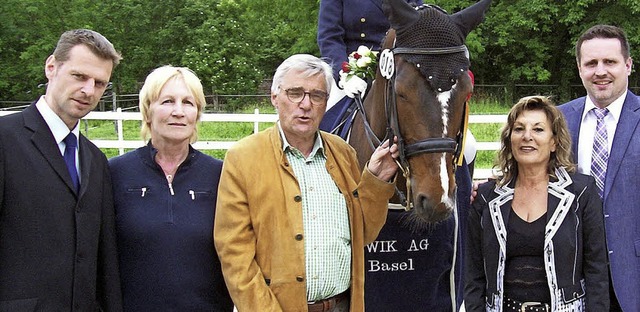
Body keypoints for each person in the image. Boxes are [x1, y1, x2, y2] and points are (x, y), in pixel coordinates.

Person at [318, 1, 477, 310]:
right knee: (320, 129)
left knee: (466, 147)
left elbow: (423, 27)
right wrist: (346, 71)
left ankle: (459, 225)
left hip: (410, 65)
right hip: (355, 71)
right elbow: (329, 36)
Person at [213, 54, 400, 311]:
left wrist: (376, 180)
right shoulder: (243, 158)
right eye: (295, 93)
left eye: (317, 95)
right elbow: (235, 255)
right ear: (274, 98)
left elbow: (363, 233)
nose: (306, 104)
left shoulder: (343, 154)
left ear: (326, 103)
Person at [0, 29, 123, 311]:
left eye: (100, 83)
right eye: (79, 76)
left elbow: (104, 260)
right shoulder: (5, 140)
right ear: (51, 67)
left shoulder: (96, 160)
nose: (89, 91)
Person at [465, 96, 609, 311]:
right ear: (509, 139)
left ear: (554, 142)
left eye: (538, 130)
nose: (527, 137)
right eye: (519, 129)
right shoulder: (486, 197)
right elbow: (473, 273)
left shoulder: (581, 192)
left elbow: (596, 269)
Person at [109, 66, 233, 311]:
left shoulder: (221, 175)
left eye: (188, 102)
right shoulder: (114, 173)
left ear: (197, 114)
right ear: (147, 112)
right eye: (167, 101)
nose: (179, 111)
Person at [557, 24, 640, 311]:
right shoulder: (558, 120)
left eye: (610, 62)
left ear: (628, 65)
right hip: (572, 274)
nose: (600, 71)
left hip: (632, 275)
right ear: (580, 68)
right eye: (591, 63)